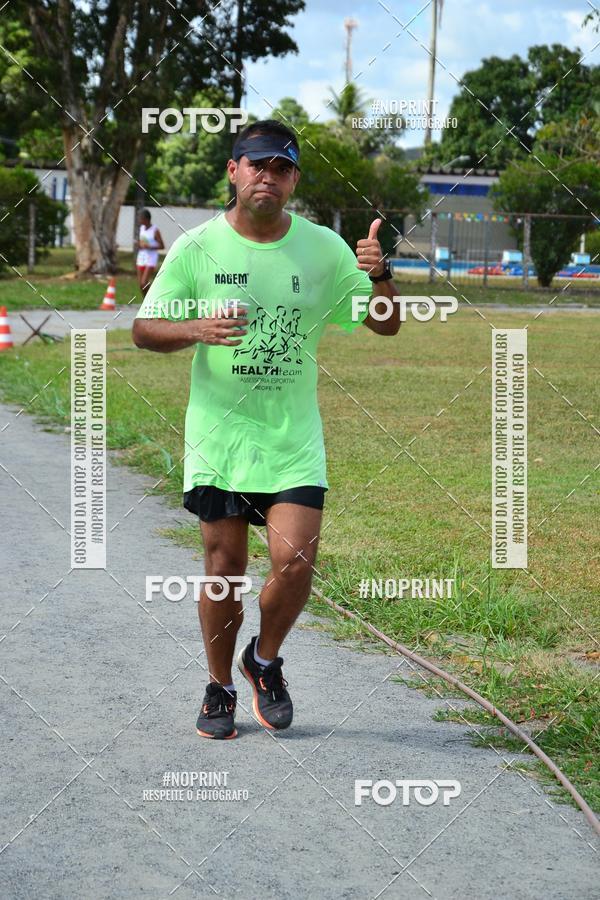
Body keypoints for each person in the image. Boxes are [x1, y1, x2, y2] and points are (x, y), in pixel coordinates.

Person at [132, 119, 399, 740]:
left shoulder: (325, 249)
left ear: (293, 180)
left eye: (281, 168)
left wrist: (380, 274)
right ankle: (219, 685)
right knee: (223, 564)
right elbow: (145, 330)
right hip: (221, 436)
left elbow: (385, 325)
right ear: (234, 170)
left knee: (296, 558)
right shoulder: (197, 247)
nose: (267, 177)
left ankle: (265, 661)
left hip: (291, 437)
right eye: (256, 164)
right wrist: (196, 328)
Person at [135, 209, 164, 296]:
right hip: (141, 257)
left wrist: (149, 247)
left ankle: (154, 297)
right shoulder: (142, 228)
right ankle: (146, 303)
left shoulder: (155, 230)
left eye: (140, 218)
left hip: (151, 258)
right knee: (141, 285)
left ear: (146, 219)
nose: (139, 220)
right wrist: (139, 244)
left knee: (144, 283)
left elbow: (162, 246)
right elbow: (142, 241)